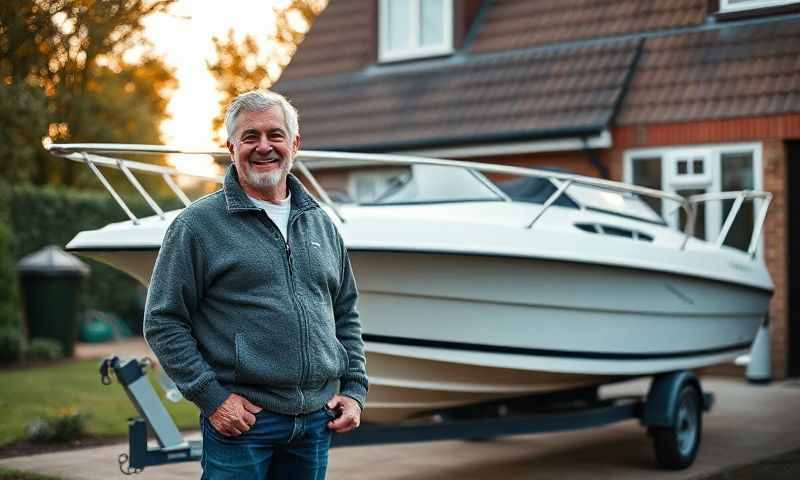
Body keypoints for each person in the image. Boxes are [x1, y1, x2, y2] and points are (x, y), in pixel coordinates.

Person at [144, 89, 368, 479]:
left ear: (294, 143)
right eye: (250, 137)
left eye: (275, 135)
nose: (264, 146)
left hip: (314, 422)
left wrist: (353, 390)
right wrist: (213, 399)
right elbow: (163, 321)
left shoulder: (320, 223)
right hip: (244, 423)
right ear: (231, 147)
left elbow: (344, 311)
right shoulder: (197, 226)